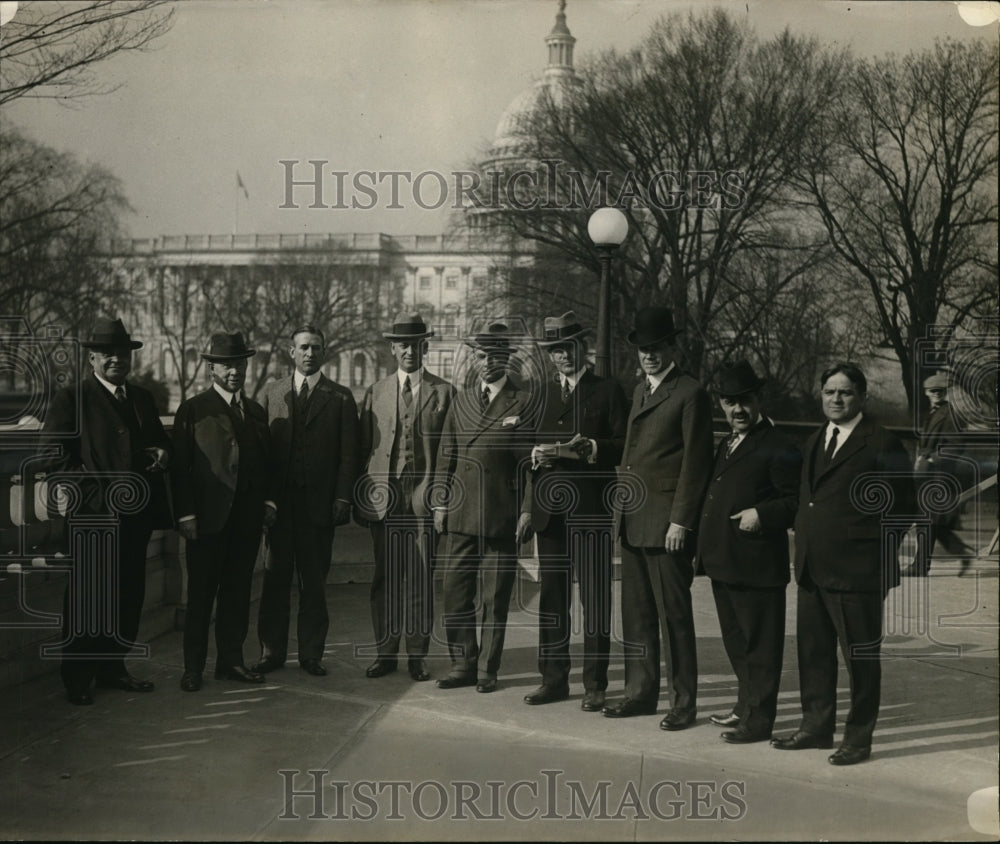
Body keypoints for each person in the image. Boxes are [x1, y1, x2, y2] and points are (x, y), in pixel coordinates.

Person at [771, 362, 914, 765]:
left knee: (860, 661)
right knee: (814, 654)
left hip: (858, 574)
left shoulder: (882, 443)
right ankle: (816, 728)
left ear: (862, 397)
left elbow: (904, 508)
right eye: (830, 392)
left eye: (845, 392)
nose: (836, 399)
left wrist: (871, 555)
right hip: (813, 568)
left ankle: (858, 739)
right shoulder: (815, 438)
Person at [43, 317, 171, 705]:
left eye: (122, 353)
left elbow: (160, 442)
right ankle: (78, 677)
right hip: (93, 517)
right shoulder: (72, 398)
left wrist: (162, 453)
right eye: (107, 354)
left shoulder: (142, 399)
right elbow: (53, 458)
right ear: (92, 359)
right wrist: (98, 494)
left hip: (135, 518)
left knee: (128, 596)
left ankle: (113, 667)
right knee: (88, 600)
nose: (116, 359)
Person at [604, 306, 714, 730]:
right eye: (643, 349)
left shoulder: (690, 393)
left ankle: (683, 703)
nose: (649, 355)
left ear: (671, 347)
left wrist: (681, 521)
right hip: (633, 519)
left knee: (674, 619)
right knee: (637, 615)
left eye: (656, 347)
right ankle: (640, 693)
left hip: (667, 524)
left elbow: (696, 463)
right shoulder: (639, 391)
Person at [516, 312, 628, 712]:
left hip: (590, 510)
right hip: (549, 512)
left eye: (566, 348)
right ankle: (553, 679)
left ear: (582, 348)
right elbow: (520, 443)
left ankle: (595, 684)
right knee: (552, 597)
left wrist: (594, 448)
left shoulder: (608, 390)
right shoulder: (541, 393)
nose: (560, 356)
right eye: (553, 350)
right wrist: (532, 454)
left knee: (594, 599)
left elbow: (624, 444)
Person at [696, 360, 801, 743]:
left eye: (745, 401)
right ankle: (745, 706)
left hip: (757, 564)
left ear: (758, 400)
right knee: (737, 642)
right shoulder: (728, 442)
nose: (737, 409)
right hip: (725, 561)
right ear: (721, 404)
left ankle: (759, 721)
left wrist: (763, 514)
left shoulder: (779, 444)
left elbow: (796, 500)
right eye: (729, 402)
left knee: (760, 647)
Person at [433, 322, 537, 693]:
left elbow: (532, 465)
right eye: (481, 355)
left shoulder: (523, 401)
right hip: (461, 511)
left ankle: (487, 669)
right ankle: (463, 663)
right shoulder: (460, 400)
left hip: (501, 513)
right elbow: (446, 454)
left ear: (506, 359)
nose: (487, 362)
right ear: (474, 359)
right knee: (455, 592)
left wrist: (527, 509)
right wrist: (440, 501)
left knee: (495, 597)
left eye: (494, 356)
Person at [252, 325, 359, 677]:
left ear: (324, 352)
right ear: (291, 352)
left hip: (319, 507)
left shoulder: (340, 397)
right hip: (278, 509)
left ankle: (311, 654)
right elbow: (259, 453)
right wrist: (265, 500)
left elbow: (349, 454)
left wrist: (342, 496)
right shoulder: (271, 393)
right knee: (274, 581)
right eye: (304, 347)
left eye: (316, 347)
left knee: (313, 584)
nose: (310, 353)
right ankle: (271, 652)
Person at [172, 332, 276, 691]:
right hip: (206, 521)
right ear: (212, 368)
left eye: (239, 364)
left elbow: (267, 465)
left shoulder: (256, 412)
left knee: (237, 593)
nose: (234, 371)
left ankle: (230, 662)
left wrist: (269, 502)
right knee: (200, 597)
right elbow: (180, 468)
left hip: (246, 522)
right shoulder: (194, 409)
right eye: (226, 365)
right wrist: (185, 515)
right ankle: (193, 668)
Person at [356, 312, 454, 682]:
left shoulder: (443, 392)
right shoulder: (376, 392)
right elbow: (364, 448)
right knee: (385, 577)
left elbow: (450, 452)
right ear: (393, 349)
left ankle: (417, 654)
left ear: (424, 347)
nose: (409, 351)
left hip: (423, 497)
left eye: (415, 344)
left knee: (420, 578)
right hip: (384, 497)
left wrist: (441, 500)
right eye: (403, 345)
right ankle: (385, 653)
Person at [904, 371, 974, 577]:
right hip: (927, 474)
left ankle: (920, 566)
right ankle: (961, 553)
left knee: (927, 520)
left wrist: (932, 459)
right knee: (931, 520)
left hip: (938, 475)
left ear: (945, 392)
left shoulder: (950, 414)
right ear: (926, 392)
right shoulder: (934, 413)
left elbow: (956, 446)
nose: (936, 394)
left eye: (940, 391)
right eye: (933, 391)